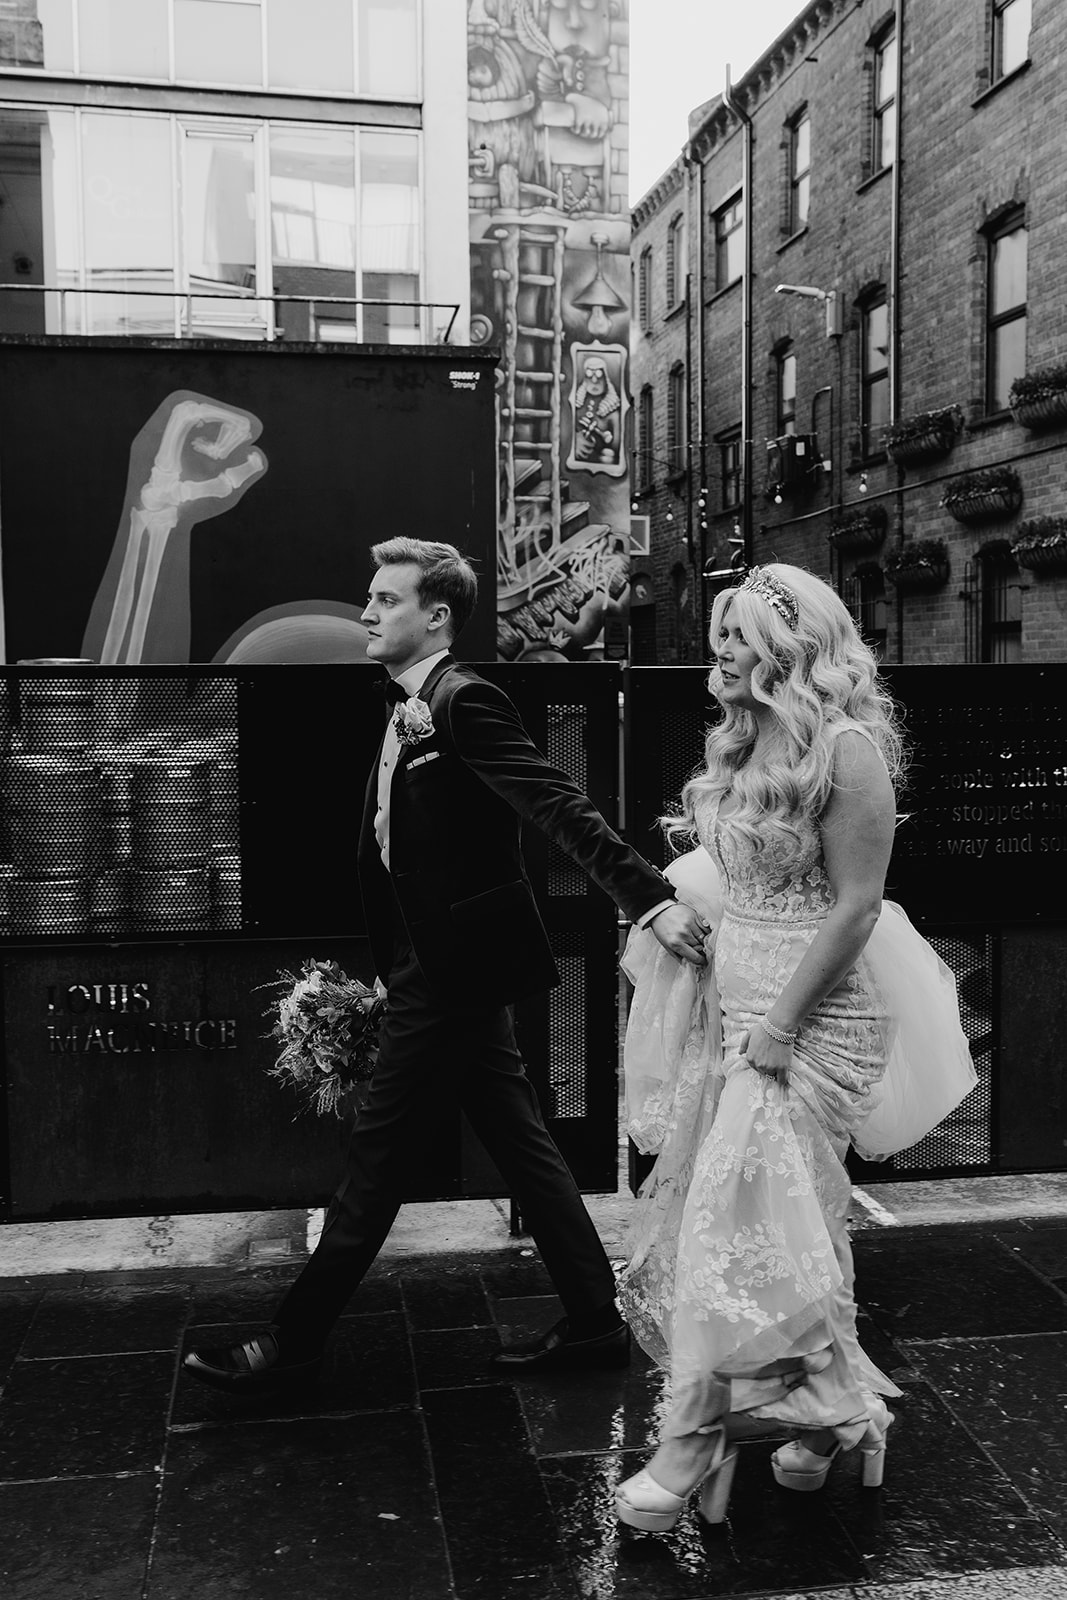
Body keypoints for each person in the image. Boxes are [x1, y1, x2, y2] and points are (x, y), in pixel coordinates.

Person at [184, 536, 707, 1392]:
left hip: (450, 978)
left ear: (434, 617)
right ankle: (592, 1324)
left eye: (384, 600)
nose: (365, 612)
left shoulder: (461, 700)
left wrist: (646, 898)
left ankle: (294, 1339)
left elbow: (554, 800)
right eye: (369, 597)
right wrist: (391, 964)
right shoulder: (403, 708)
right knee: (525, 1148)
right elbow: (404, 858)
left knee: (377, 1161)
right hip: (439, 967)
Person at [613, 563, 976, 1532]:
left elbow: (854, 907)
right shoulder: (737, 745)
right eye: (718, 634)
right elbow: (732, 878)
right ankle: (830, 1421)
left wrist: (775, 1029)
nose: (716, 652)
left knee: (727, 1218)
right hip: (735, 1010)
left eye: (734, 636)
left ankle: (690, 1440)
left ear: (786, 650)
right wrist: (676, 927)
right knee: (794, 1216)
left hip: (813, 1020)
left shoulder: (846, 748)